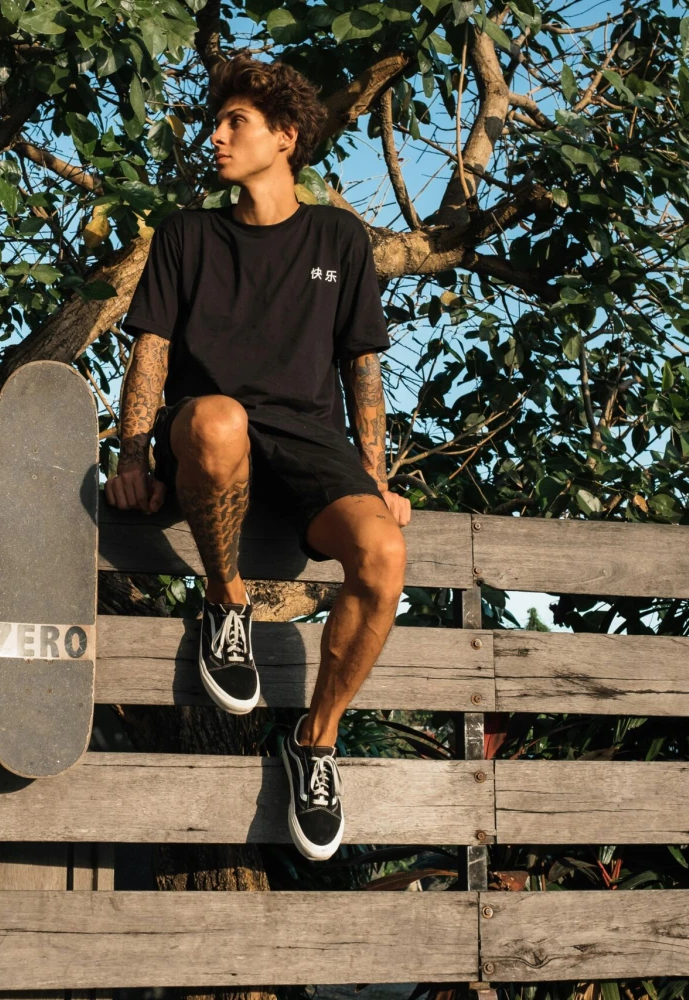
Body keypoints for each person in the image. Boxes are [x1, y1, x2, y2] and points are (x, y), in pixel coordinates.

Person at [103, 53, 410, 862]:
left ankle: (316, 742)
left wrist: (376, 480)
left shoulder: (340, 239)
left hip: (311, 441)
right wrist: (133, 451)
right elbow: (152, 355)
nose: (216, 136)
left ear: (286, 136)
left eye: (234, 122)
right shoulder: (187, 235)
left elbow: (362, 368)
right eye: (218, 121)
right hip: (210, 434)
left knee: (382, 554)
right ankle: (226, 604)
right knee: (219, 420)